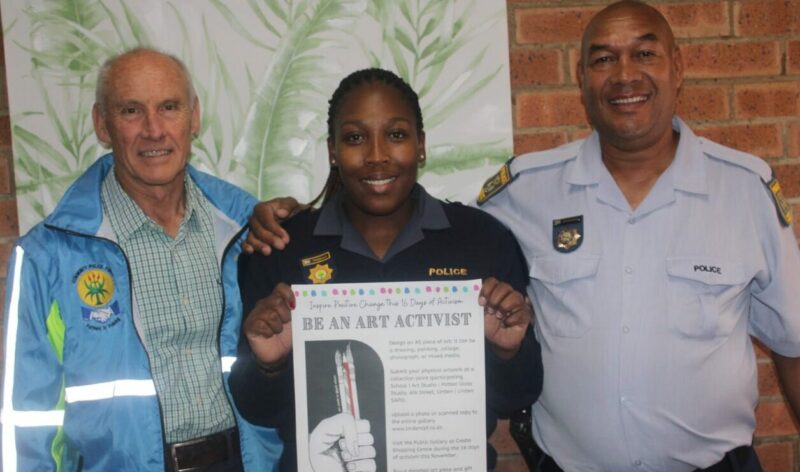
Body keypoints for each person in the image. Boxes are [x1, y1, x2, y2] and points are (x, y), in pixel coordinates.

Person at [476, 1, 800, 471]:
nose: (624, 75)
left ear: (678, 66)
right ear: (581, 77)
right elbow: (449, 262)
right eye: (604, 59)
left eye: (645, 55)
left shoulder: (744, 191)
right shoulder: (524, 193)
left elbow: (794, 343)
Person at [229, 68, 543, 471]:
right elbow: (257, 409)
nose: (377, 154)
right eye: (356, 137)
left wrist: (508, 351)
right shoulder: (282, 248)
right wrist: (267, 365)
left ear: (421, 146)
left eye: (396, 134)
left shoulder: (482, 240)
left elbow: (520, 394)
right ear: (332, 151)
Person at [0, 48, 283, 471]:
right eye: (131, 111)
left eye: (169, 107)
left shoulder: (246, 229)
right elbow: (26, 419)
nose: (154, 130)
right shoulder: (47, 256)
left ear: (194, 117)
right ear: (102, 124)